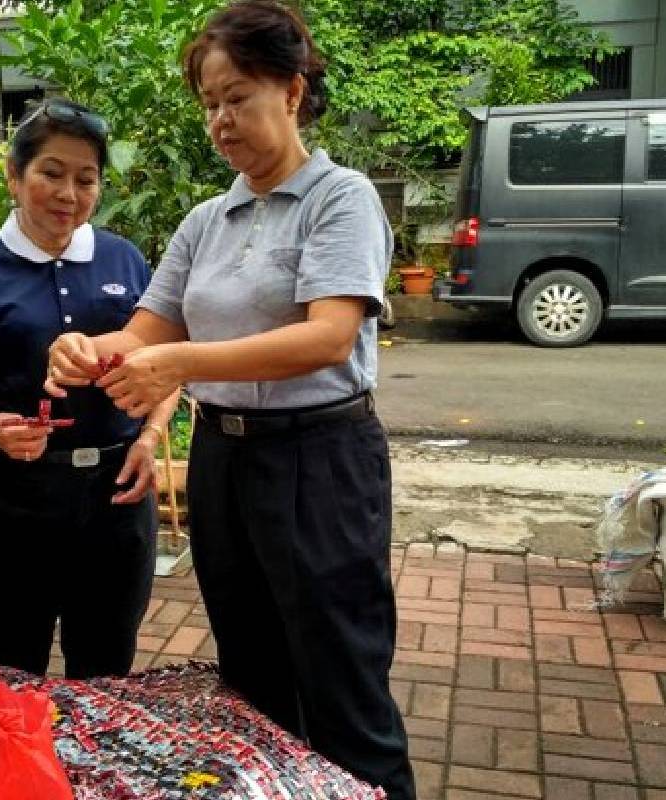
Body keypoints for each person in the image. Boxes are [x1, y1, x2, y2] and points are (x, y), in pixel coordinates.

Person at [45, 2, 414, 796]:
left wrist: (177, 359)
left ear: (290, 88)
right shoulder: (208, 220)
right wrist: (85, 350)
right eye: (210, 102)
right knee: (252, 675)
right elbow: (147, 327)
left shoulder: (338, 199)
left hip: (318, 462)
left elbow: (327, 338)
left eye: (237, 95)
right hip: (225, 460)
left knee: (341, 676)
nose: (220, 119)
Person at [0, 100, 177, 679]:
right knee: (8, 671)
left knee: (107, 669)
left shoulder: (123, 259)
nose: (69, 193)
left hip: (116, 497)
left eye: (86, 180)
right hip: (10, 501)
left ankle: (91, 773)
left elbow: (164, 365)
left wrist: (150, 436)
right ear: (14, 174)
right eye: (51, 173)